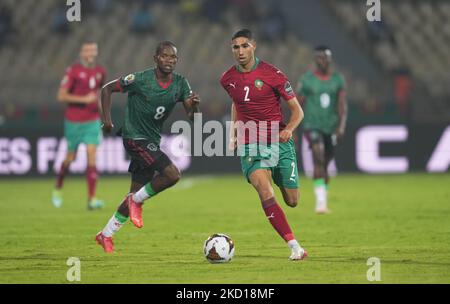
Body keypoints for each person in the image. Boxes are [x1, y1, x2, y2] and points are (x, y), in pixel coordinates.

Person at [95, 41, 200, 253]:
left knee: (136, 192)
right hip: (134, 137)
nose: (169, 60)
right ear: (156, 58)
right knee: (172, 175)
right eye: (165, 56)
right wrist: (107, 120)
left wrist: (195, 107)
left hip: (151, 140)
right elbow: (107, 89)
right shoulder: (140, 79)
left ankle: (105, 234)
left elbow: (193, 119)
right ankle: (137, 202)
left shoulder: (180, 83)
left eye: (173, 57)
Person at [220, 29, 307, 261]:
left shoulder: (273, 74)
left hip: (278, 141)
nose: (240, 51)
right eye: (235, 47)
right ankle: (294, 246)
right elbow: (236, 103)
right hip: (250, 142)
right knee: (263, 189)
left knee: (292, 200)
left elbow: (298, 111)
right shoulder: (227, 79)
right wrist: (233, 133)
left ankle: (277, 174)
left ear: (254, 46)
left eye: (244, 46)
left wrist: (288, 129)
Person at [52, 41, 106, 210]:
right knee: (70, 158)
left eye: (93, 49)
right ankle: (58, 186)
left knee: (91, 154)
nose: (90, 52)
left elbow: (98, 94)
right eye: (87, 50)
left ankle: (91, 199)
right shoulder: (73, 71)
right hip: (74, 121)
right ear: (81, 53)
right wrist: (84, 99)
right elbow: (61, 96)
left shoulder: (100, 72)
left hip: (92, 120)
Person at [296, 45, 347, 214]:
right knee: (318, 156)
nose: (322, 61)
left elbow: (341, 105)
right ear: (315, 60)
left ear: (329, 59)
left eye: (324, 57)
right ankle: (320, 203)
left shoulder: (338, 79)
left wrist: (341, 126)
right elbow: (297, 105)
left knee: (325, 163)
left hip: (330, 126)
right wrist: (293, 128)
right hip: (312, 125)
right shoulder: (306, 80)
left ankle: (322, 195)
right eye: (319, 57)